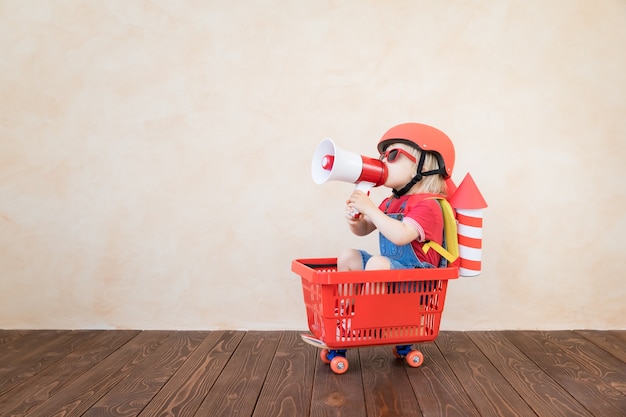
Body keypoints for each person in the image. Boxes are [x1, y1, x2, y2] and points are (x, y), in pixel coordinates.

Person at [337, 122, 455, 272]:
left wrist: (369, 208)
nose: (383, 161)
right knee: (349, 257)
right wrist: (356, 221)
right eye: (383, 156)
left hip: (419, 278)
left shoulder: (429, 205)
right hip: (392, 272)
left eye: (393, 155)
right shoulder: (389, 203)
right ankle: (349, 297)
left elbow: (401, 235)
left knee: (377, 264)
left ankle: (373, 296)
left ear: (421, 169)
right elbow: (364, 229)